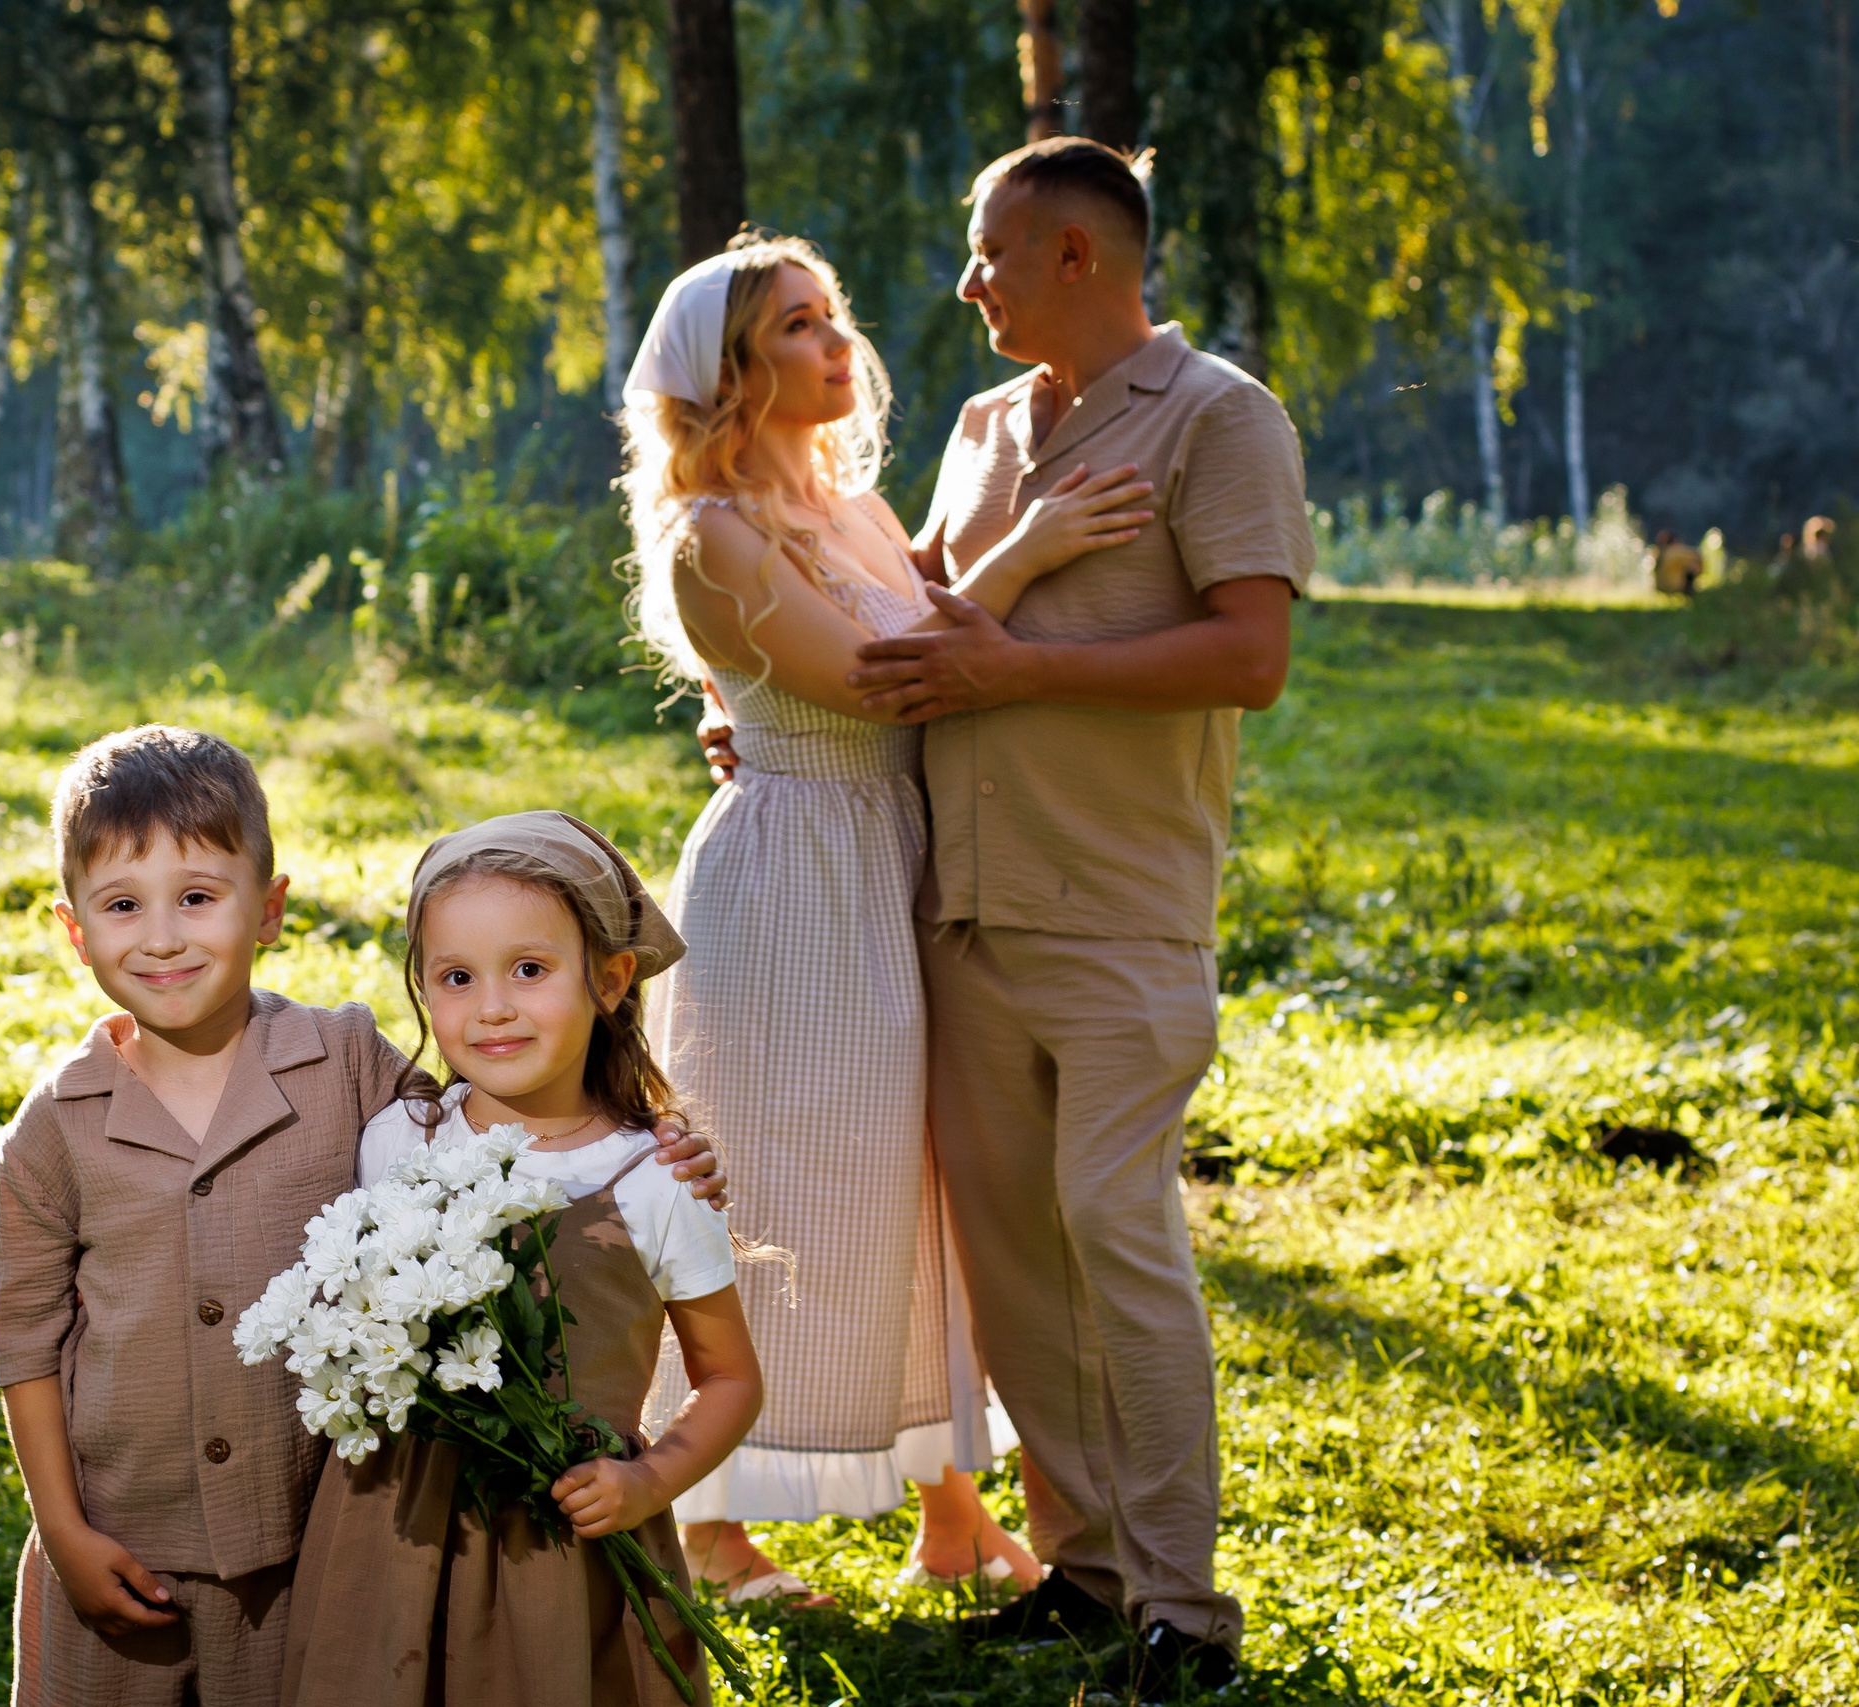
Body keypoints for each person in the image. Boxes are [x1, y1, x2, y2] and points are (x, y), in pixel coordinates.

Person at [828, 136, 1312, 1700]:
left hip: (1117, 916)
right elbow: (910, 618)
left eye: (989, 254)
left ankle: (1186, 1612)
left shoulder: (1221, 419)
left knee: (1119, 1235)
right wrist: (776, 707)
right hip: (959, 914)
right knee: (1021, 1261)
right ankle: (1088, 1571)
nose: (966, 283)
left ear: (1078, 257)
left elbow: (1250, 657)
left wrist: (1024, 672)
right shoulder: (979, 425)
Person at [623, 236, 1150, 1606]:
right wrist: (1032, 550)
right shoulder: (713, 533)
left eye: (831, 315)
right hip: (794, 876)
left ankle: (954, 1512)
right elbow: (886, 678)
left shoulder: (850, 506)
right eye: (798, 326)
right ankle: (710, 1524)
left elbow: (906, 608)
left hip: (894, 859)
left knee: (922, 1187)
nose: (835, 342)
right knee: (778, 1187)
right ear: (731, 371)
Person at [0, 728, 722, 1706]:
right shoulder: (58, 1124)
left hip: (312, 1540)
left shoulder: (345, 1063)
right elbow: (26, 1338)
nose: (161, 937)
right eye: (122, 906)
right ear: (74, 930)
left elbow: (494, 1121)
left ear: (271, 910)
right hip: (121, 1543)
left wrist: (656, 1141)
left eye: (198, 898)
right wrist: (64, 1529)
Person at [280, 811, 762, 1707]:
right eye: (456, 977)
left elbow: (731, 1377)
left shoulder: (653, 1177)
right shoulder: (399, 1141)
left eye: (529, 970)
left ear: (612, 979)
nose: (492, 1006)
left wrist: (648, 1482)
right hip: (397, 1524)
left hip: (568, 1529)